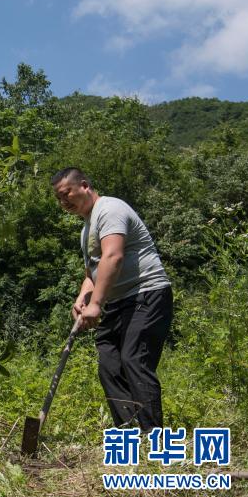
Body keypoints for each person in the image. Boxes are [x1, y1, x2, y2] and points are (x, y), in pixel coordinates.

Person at [51, 167, 173, 432]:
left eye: (66, 194)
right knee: (109, 365)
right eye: (59, 199)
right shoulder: (87, 229)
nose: (64, 202)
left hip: (146, 294)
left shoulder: (110, 209)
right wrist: (83, 297)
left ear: (84, 185)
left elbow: (113, 257)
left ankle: (154, 436)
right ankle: (130, 432)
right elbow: (93, 272)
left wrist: (96, 304)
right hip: (119, 303)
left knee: (134, 359)